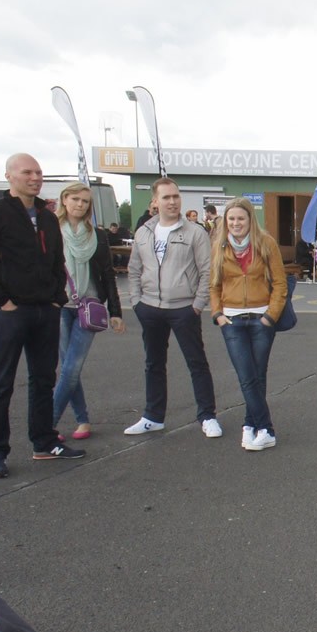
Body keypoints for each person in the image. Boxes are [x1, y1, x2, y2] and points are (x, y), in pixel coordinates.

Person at [0, 153, 84, 478]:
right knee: (0, 384)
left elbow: (57, 262)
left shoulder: (47, 217)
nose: (35, 178)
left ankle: (44, 442)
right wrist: (1, 301)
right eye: (27, 172)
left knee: (43, 380)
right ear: (9, 176)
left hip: (45, 311)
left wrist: (57, 298)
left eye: (39, 172)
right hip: (9, 313)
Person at [125, 177, 222, 438]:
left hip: (183, 308)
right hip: (149, 307)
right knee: (153, 363)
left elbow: (207, 271)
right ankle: (153, 417)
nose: (172, 202)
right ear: (155, 201)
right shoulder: (144, 232)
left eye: (176, 196)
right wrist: (136, 301)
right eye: (166, 197)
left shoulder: (195, 232)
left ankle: (207, 416)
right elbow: (134, 269)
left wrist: (197, 304)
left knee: (196, 362)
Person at [208, 198, 288, 451]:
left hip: (261, 318)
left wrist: (270, 317)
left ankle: (250, 425)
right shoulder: (220, 245)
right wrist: (217, 314)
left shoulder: (266, 243)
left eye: (240, 218)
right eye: (231, 218)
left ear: (250, 219)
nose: (235, 223)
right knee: (246, 376)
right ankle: (265, 429)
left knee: (257, 375)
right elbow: (214, 284)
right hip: (231, 320)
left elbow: (280, 283)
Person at [52, 181, 126, 442]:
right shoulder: (52, 231)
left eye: (85, 201)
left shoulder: (97, 235)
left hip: (89, 306)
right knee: (68, 369)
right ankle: (82, 419)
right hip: (59, 306)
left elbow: (108, 274)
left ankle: (47, 425)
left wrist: (115, 311)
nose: (80, 205)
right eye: (75, 199)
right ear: (64, 199)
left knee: (72, 367)